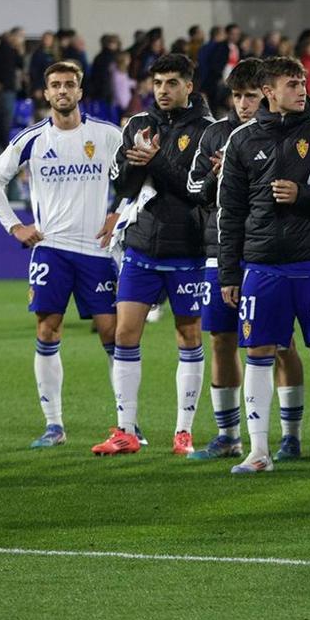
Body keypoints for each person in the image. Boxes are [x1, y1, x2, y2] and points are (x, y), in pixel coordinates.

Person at [215, 56, 310, 475]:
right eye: (293, 83)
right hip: (261, 268)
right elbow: (229, 211)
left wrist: (305, 194)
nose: (302, 89)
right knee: (258, 352)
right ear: (269, 91)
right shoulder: (243, 141)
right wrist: (229, 273)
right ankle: (259, 451)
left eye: (303, 82)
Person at [0, 60, 123, 449]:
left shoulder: (107, 135)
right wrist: (15, 226)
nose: (62, 91)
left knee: (113, 335)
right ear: (45, 94)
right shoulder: (31, 139)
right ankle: (54, 425)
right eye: (55, 85)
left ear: (80, 92)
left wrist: (119, 214)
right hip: (51, 250)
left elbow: (138, 179)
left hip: (96, 250)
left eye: (69, 85)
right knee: (47, 330)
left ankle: (126, 425)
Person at [184, 60, 306, 462]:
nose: (243, 104)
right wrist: (219, 177)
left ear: (267, 94)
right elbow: (196, 190)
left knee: (281, 342)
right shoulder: (215, 135)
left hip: (267, 252)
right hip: (218, 251)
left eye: (250, 95)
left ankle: (290, 434)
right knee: (220, 338)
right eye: (237, 96)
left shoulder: (285, 133)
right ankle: (228, 435)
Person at [104, 53, 212, 457]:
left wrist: (156, 162)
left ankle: (183, 431)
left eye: (172, 83)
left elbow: (196, 189)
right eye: (158, 83)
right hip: (141, 246)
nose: (163, 90)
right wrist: (135, 166)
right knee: (124, 334)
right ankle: (125, 429)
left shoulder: (208, 131)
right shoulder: (137, 125)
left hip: (187, 249)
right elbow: (122, 186)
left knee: (188, 335)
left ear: (189, 86)